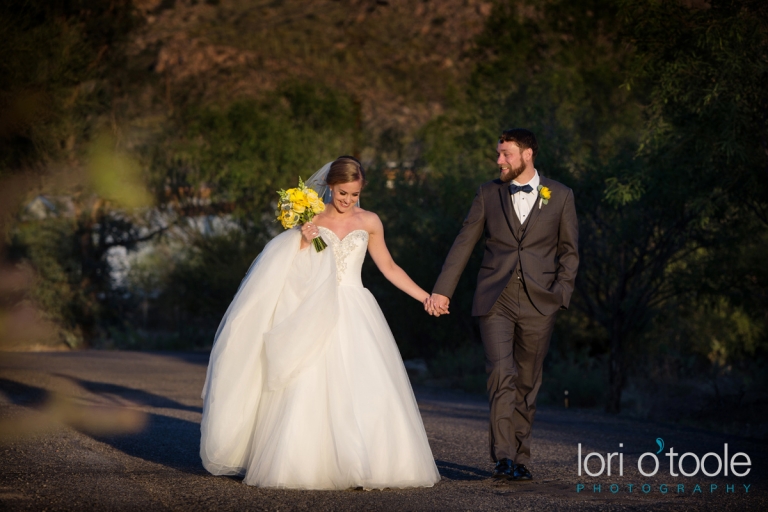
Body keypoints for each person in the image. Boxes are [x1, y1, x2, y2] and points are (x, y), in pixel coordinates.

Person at [200, 156, 441, 490]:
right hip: (315, 308)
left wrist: (425, 296)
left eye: (354, 194)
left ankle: (366, 462)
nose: (348, 200)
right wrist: (301, 239)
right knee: (308, 384)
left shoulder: (370, 221)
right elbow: (289, 269)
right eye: (343, 193)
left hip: (355, 307)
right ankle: (304, 462)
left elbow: (388, 266)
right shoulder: (309, 216)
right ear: (330, 186)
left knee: (364, 385)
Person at [426, 129, 579, 481]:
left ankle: (521, 458)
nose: (499, 161)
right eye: (498, 154)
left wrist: (560, 294)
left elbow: (569, 252)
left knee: (527, 381)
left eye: (506, 154)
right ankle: (504, 458)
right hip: (496, 298)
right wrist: (443, 291)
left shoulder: (561, 195)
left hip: (542, 300)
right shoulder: (487, 193)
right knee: (501, 375)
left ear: (527, 155)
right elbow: (464, 242)